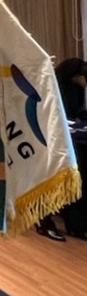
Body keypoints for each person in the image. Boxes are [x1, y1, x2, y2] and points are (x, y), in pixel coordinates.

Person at [56, 58, 87, 239]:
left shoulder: (77, 88)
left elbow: (78, 111)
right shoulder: (58, 87)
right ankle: (74, 222)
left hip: (73, 131)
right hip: (60, 136)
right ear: (77, 77)